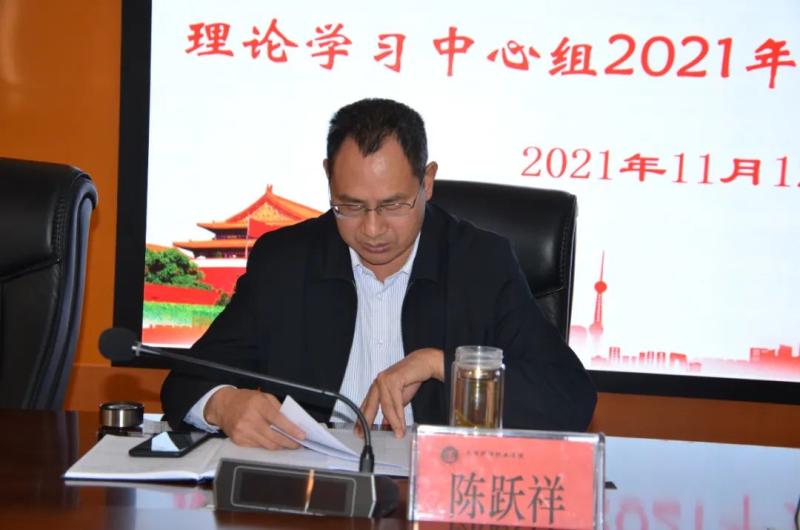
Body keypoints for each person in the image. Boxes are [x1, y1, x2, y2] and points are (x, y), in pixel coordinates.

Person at [161, 98, 596, 449]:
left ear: (427, 182)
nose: (372, 229)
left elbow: (569, 399)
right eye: (350, 206)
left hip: (436, 494)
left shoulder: (481, 263)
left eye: (392, 205)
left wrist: (443, 364)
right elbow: (187, 380)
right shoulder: (285, 261)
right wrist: (223, 404)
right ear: (328, 178)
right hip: (313, 493)